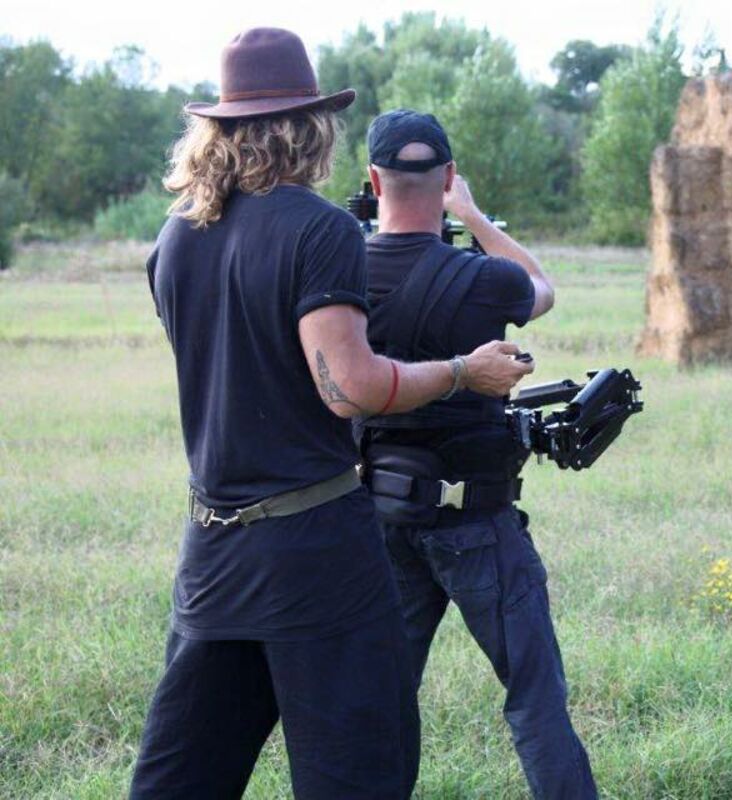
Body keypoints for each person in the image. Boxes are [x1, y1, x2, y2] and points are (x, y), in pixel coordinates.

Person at [129, 30, 531, 799]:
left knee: (183, 777)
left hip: (212, 548)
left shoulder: (175, 236)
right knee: (358, 772)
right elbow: (349, 388)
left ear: (219, 127)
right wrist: (461, 372)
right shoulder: (320, 228)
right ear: (310, 124)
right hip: (315, 552)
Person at [357, 109, 597, 799]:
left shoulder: (338, 278)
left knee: (380, 704)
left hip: (378, 517)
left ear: (374, 181)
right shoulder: (484, 278)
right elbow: (541, 289)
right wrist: (474, 215)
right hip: (476, 520)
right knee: (534, 696)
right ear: (448, 179)